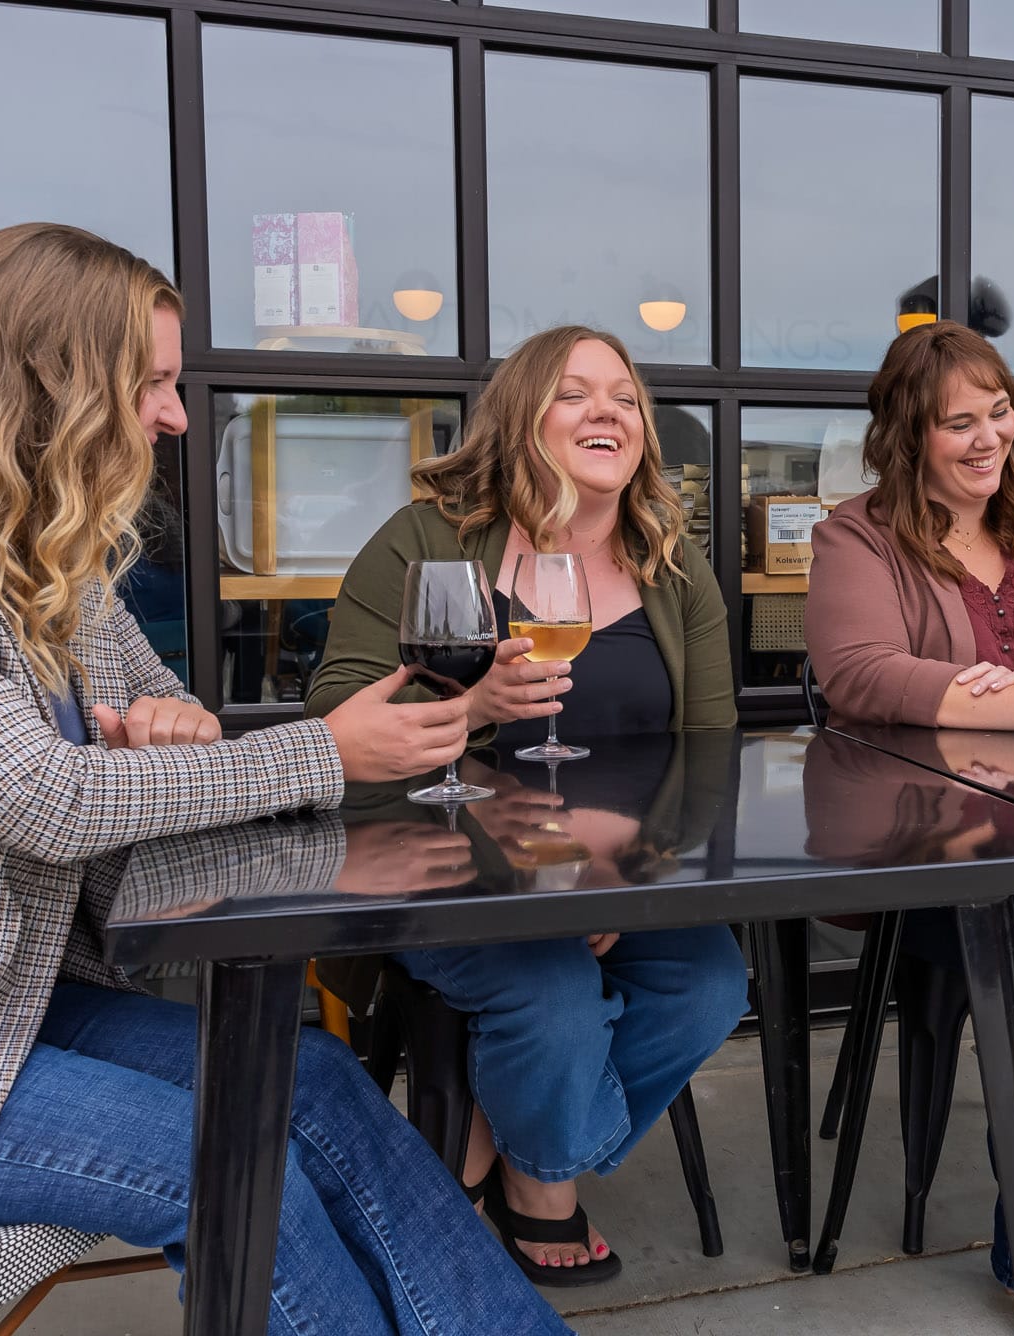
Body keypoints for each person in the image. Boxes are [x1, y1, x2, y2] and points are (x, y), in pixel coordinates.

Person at [0, 223, 570, 1336]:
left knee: (319, 1086)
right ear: (50, 383)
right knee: (223, 1157)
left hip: (6, 1014)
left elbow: (184, 730)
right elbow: (43, 799)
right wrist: (325, 751)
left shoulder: (40, 563)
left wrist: (181, 733)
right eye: (152, 383)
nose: (175, 415)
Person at [306, 324, 748, 1288]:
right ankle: (545, 1185)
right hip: (439, 866)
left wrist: (629, 874)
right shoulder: (426, 539)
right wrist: (471, 709)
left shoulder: (671, 564)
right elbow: (336, 718)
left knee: (711, 982)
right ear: (521, 417)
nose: (607, 412)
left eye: (625, 398)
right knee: (553, 1001)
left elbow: (709, 751)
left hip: (617, 865)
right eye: (574, 393)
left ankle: (499, 1145)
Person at [804, 320, 1014, 1336]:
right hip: (930, 844)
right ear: (908, 433)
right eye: (959, 422)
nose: (989, 437)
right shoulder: (857, 535)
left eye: (999, 413)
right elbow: (858, 673)